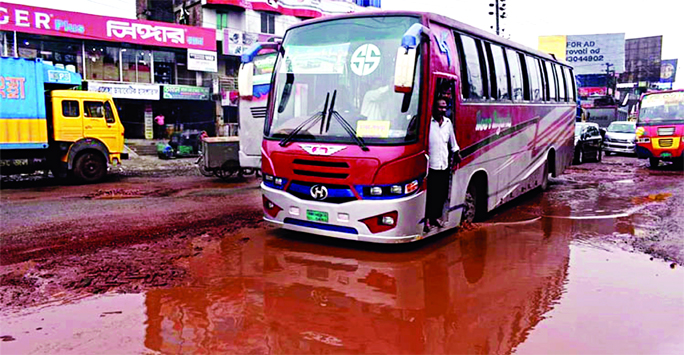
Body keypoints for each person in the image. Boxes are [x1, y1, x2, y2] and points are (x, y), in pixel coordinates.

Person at [425, 97, 461, 232]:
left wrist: (457, 153)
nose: (443, 110)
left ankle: (435, 218)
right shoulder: (428, 123)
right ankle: (427, 220)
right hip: (431, 166)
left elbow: (452, 141)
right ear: (434, 108)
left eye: (445, 107)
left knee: (441, 194)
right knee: (431, 194)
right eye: (440, 107)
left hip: (444, 164)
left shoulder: (447, 123)